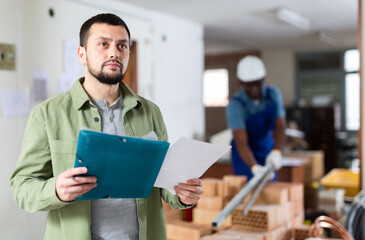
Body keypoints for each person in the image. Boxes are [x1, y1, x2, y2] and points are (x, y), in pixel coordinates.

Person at [10, 13, 203, 240]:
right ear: (81, 54)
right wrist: (55, 190)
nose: (114, 53)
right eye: (103, 44)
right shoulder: (46, 115)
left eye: (122, 45)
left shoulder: (150, 112)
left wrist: (182, 195)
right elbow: (22, 188)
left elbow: (163, 183)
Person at [225, 55, 286, 181]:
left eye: (258, 84)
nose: (254, 89)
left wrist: (276, 151)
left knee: (270, 186)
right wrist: (254, 167)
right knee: (248, 186)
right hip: (244, 153)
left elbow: (280, 127)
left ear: (263, 79)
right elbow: (241, 142)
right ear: (241, 83)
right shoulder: (235, 104)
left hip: (266, 148)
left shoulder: (273, 95)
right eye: (249, 85)